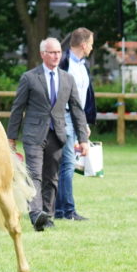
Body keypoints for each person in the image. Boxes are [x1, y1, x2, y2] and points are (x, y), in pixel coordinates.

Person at [6, 37, 90, 231]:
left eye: (58, 52)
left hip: (58, 133)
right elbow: (18, 108)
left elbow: (77, 110)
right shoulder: (29, 77)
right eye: (52, 52)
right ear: (43, 54)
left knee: (52, 177)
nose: (56, 56)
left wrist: (83, 139)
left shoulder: (67, 79)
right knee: (34, 173)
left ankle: (48, 215)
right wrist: (11, 137)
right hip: (34, 134)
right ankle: (36, 215)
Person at [56, 27, 96, 221]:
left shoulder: (83, 66)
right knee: (68, 163)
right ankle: (67, 211)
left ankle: (60, 210)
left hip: (76, 119)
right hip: (63, 117)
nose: (92, 47)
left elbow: (85, 96)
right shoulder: (63, 63)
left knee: (65, 164)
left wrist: (85, 122)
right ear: (83, 44)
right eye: (91, 44)